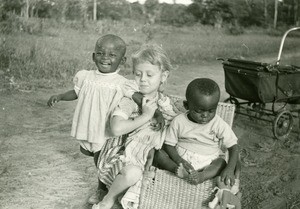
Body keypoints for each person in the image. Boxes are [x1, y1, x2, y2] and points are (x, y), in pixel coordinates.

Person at [47, 34, 139, 204]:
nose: (105, 58)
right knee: (95, 156)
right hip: (89, 125)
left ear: (123, 60)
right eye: (100, 53)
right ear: (93, 56)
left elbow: (136, 97)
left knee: (102, 159)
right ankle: (108, 184)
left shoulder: (122, 83)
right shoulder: (85, 76)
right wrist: (60, 96)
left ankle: (102, 189)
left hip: (106, 129)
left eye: (112, 55)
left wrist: (153, 111)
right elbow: (75, 93)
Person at [92, 44, 176, 209]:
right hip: (124, 157)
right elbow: (116, 128)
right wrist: (146, 116)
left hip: (148, 156)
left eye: (149, 74)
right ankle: (109, 198)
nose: (143, 79)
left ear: (163, 76)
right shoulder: (130, 101)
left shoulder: (164, 101)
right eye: (138, 74)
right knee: (133, 173)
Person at [154, 78, 239, 187]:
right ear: (186, 105)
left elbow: (234, 146)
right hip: (181, 161)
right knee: (159, 154)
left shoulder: (218, 124)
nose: (205, 115)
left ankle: (201, 176)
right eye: (199, 111)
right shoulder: (179, 121)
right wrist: (179, 161)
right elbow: (168, 145)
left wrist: (230, 169)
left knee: (221, 163)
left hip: (207, 162)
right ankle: (177, 171)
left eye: (211, 110)